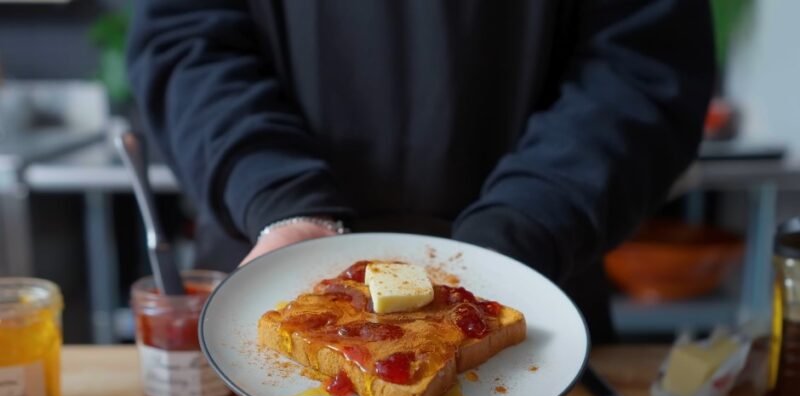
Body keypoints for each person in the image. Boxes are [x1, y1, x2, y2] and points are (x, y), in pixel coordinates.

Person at [127, 0, 714, 342]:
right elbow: (188, 39)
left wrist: (524, 226)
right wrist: (279, 196)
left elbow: (640, 62)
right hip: (276, 260)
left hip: (538, 271)